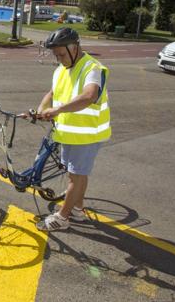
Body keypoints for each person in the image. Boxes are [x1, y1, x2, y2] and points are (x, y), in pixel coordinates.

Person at [34, 27, 111, 231]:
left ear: (74, 47)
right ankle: (77, 209)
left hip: (87, 134)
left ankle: (63, 217)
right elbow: (51, 93)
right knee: (77, 174)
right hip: (69, 134)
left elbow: (89, 96)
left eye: (61, 54)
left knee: (75, 176)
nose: (59, 59)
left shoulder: (92, 68)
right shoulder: (61, 70)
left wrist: (57, 110)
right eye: (56, 55)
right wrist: (42, 109)